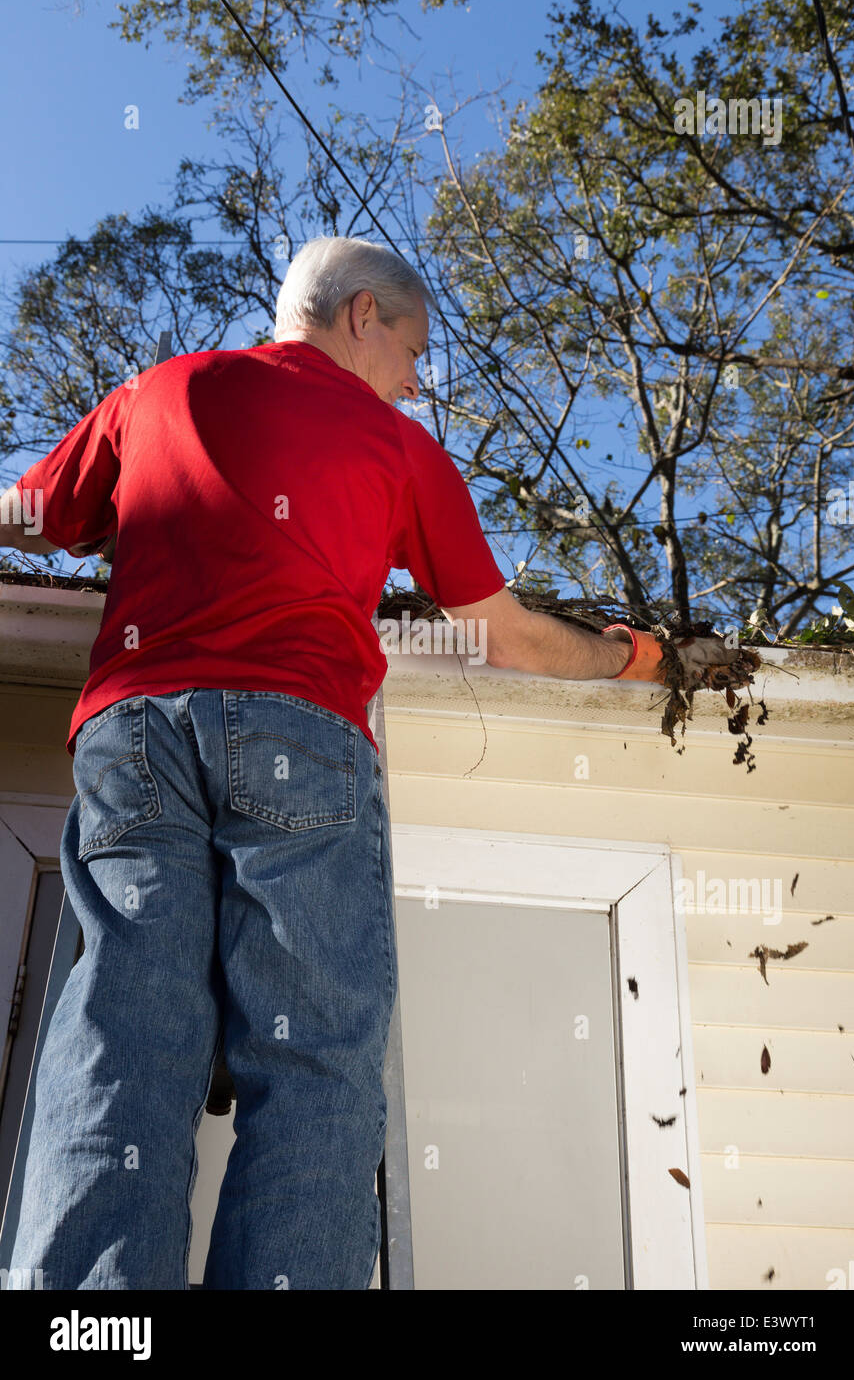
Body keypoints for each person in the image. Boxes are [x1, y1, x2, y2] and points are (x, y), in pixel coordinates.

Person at [0, 235, 736, 1290]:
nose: (412, 377)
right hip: (296, 735)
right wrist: (635, 654)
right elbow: (510, 638)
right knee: (310, 1068)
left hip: (138, 736)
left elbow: (27, 515)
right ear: (360, 316)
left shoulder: (155, 394)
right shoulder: (394, 448)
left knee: (121, 1037)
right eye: (412, 348)